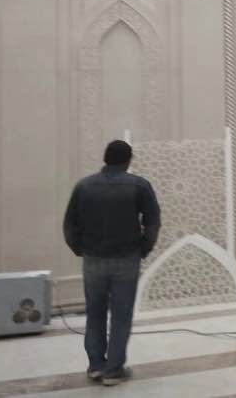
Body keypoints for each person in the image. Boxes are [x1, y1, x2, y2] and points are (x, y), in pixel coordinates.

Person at [63, 140, 161, 386]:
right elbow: (153, 221)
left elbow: (69, 224)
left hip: (93, 259)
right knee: (121, 315)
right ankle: (113, 370)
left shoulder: (84, 186)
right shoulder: (139, 185)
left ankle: (96, 366)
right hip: (126, 259)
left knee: (94, 313)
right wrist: (144, 248)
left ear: (105, 159)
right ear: (128, 160)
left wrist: (79, 248)